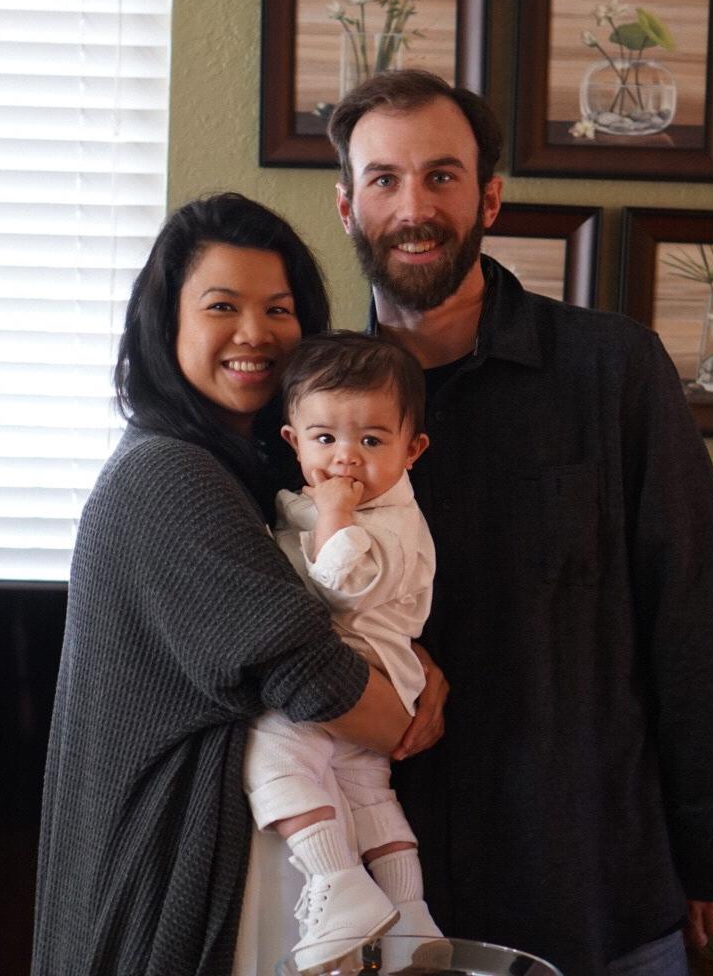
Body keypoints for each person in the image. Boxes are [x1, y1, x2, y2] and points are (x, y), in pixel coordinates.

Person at [326, 71, 713, 976]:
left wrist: (709, 838)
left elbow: (698, 619)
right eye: (385, 180)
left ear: (489, 196)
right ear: (346, 205)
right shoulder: (308, 404)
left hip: (594, 889)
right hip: (367, 897)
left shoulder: (613, 369)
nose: (415, 207)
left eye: (442, 177)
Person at [30, 193, 446, 976]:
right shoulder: (167, 476)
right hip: (171, 870)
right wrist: (406, 710)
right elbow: (312, 675)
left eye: (279, 309)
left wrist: (414, 667)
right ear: (168, 324)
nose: (256, 334)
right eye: (223, 306)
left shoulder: (253, 476)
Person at [243, 330, 443, 970]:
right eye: (325, 438)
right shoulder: (334, 504)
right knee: (366, 794)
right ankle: (410, 916)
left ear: (412, 450)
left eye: (372, 441)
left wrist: (333, 514)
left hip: (358, 680)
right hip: (379, 688)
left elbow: (345, 586)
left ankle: (339, 885)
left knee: (268, 755)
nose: (346, 459)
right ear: (293, 441)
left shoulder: (387, 521)